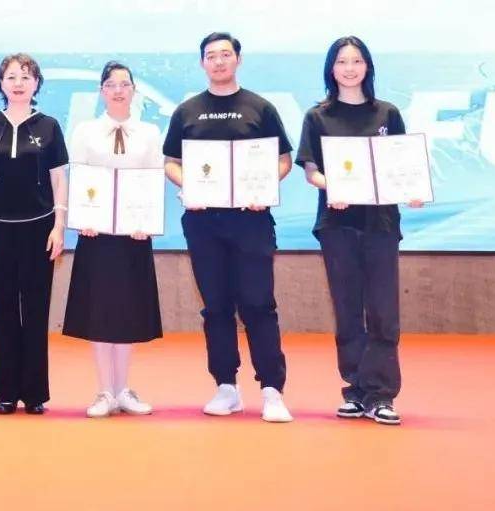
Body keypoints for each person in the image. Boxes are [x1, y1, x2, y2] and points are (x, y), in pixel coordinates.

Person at [161, 32, 294, 422]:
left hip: (251, 220)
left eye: (225, 54)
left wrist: (264, 187)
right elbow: (171, 163)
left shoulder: (260, 108)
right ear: (202, 63)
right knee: (216, 306)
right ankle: (226, 387)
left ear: (238, 59)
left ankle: (272, 390)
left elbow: (284, 160)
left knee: (258, 304)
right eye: (211, 56)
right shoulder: (187, 111)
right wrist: (188, 185)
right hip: (203, 222)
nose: (218, 61)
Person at [296, 36, 418, 426]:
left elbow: (401, 167)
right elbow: (311, 171)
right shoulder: (318, 116)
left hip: (380, 224)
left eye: (357, 61)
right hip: (337, 225)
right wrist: (333, 187)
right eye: (342, 62)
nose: (349, 69)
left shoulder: (388, 113)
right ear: (331, 69)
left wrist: (412, 190)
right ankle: (355, 390)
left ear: (368, 67)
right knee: (348, 310)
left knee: (383, 311)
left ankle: (381, 394)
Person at [62, 61, 163, 418]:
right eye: (111, 84)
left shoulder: (149, 132)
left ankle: (124, 390)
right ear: (101, 91)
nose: (118, 90)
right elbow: (78, 177)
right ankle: (105, 390)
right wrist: (83, 218)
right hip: (97, 233)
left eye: (125, 84)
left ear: (134, 90)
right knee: (100, 311)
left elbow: (153, 177)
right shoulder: (86, 131)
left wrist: (146, 221)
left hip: (134, 234)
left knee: (128, 311)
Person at [0, 53, 68, 415]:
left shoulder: (49, 126)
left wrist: (59, 225)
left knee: (37, 311)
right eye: (11, 77)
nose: (18, 83)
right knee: (3, 310)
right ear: (1, 83)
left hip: (40, 228)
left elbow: (59, 178)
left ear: (36, 84)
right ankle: (6, 392)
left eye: (26, 77)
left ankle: (35, 393)